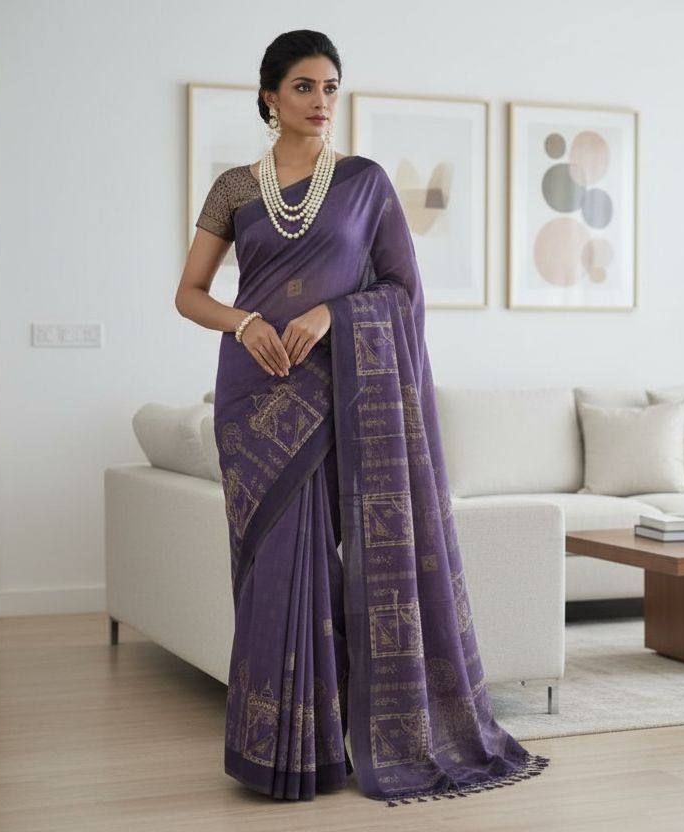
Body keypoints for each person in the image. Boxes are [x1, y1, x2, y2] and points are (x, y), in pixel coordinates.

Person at [174, 29, 549, 807]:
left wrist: (330, 314)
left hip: (336, 390)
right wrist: (244, 323)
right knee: (272, 568)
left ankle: (332, 747)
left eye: (332, 88)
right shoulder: (232, 191)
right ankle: (277, 754)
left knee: (326, 566)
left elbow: (405, 296)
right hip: (252, 395)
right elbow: (190, 293)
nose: (322, 103)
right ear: (271, 95)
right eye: (306, 87)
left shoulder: (366, 183)